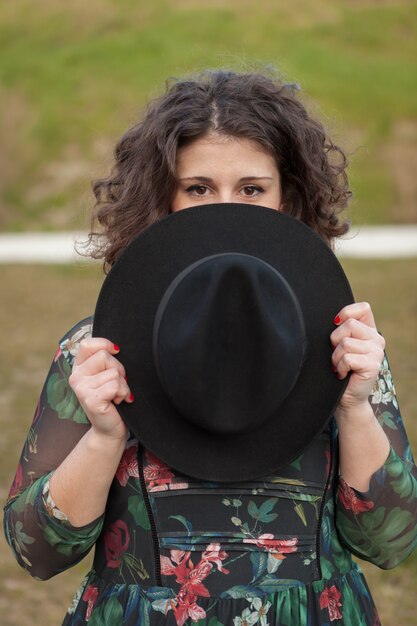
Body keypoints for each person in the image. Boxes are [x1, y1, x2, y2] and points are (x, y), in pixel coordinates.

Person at [3, 70, 417, 626]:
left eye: (252, 189)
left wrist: (353, 405)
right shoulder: (96, 350)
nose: (229, 209)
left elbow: (392, 544)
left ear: (288, 199)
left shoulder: (344, 346)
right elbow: (38, 552)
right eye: (198, 189)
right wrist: (105, 436)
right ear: (163, 200)